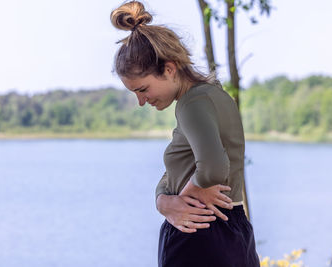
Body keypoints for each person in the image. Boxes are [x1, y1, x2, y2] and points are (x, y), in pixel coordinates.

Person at [110, 1, 260, 266]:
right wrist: (164, 202)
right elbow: (175, 172)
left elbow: (213, 167)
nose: (141, 101)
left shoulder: (192, 103)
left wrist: (184, 198)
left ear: (169, 69)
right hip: (232, 230)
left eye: (143, 89)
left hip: (200, 232)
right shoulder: (213, 95)